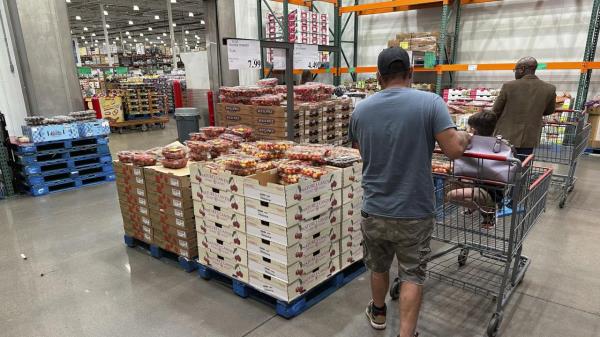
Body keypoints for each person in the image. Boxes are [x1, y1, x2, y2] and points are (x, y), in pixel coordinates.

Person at [348, 47, 471, 337]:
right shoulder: (430, 103)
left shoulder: (361, 109)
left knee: (378, 266)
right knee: (412, 274)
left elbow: (358, 152)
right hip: (414, 209)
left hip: (375, 206)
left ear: (378, 77)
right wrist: (466, 136)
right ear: (411, 73)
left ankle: (378, 312)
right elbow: (454, 149)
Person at [446, 111, 503, 229]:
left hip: (490, 193)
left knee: (451, 195)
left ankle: (490, 211)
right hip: (484, 188)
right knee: (456, 182)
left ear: (473, 130)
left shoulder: (470, 145)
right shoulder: (499, 145)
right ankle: (476, 206)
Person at [493, 57, 556, 159]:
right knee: (522, 166)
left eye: (515, 70)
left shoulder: (509, 86)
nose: (515, 73)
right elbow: (549, 110)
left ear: (522, 69)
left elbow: (496, 111)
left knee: (501, 166)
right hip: (529, 138)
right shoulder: (550, 88)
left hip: (505, 137)